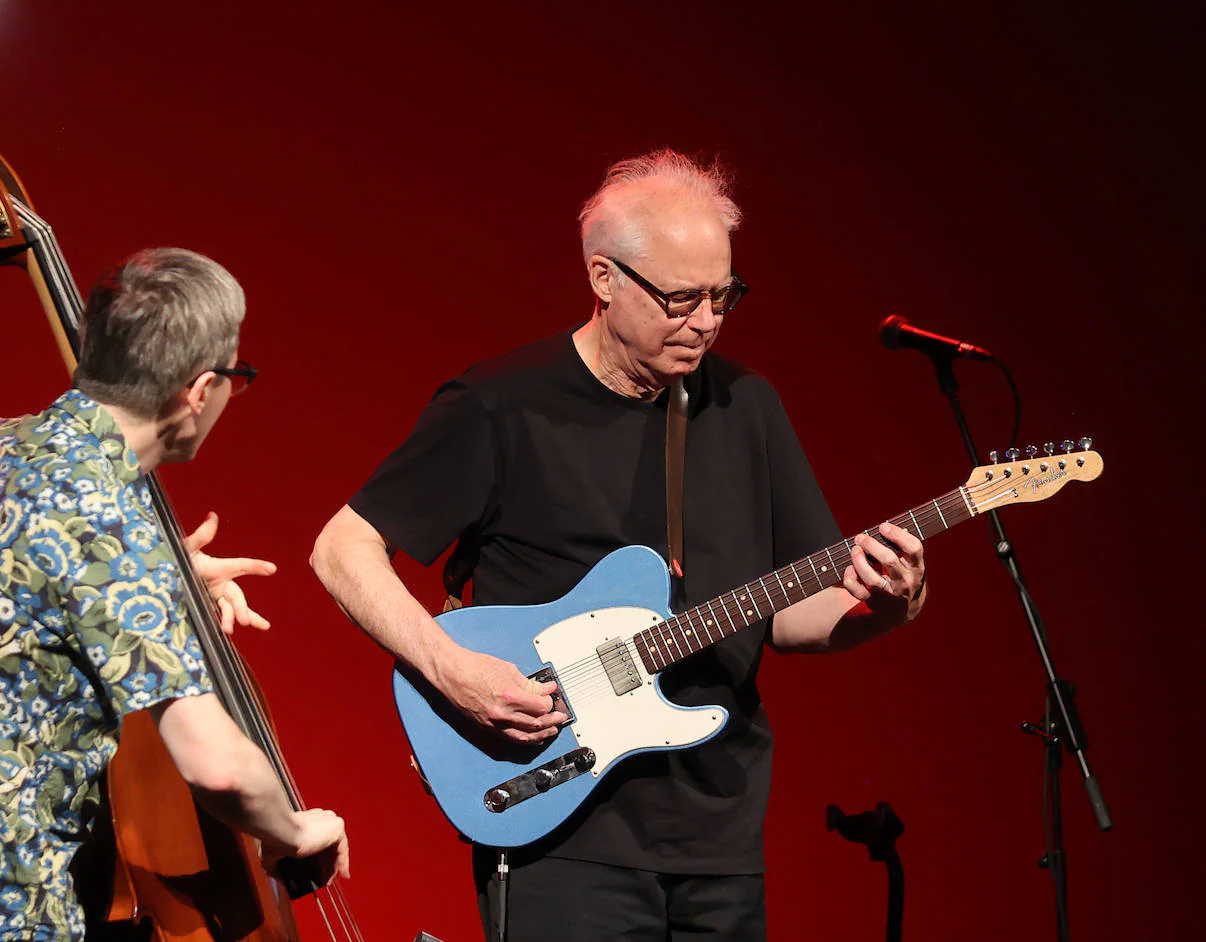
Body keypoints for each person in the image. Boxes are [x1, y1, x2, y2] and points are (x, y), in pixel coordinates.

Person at [310, 151, 927, 941]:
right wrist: (452, 669)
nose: (705, 320)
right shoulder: (502, 404)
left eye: (723, 295)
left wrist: (891, 603)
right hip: (559, 821)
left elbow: (792, 616)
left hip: (720, 828)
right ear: (603, 279)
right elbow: (342, 548)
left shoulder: (747, 407)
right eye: (679, 298)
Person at [0, 248, 348, 942]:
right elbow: (217, 768)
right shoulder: (112, 521)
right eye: (236, 379)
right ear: (200, 390)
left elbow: (9, 591)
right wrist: (293, 830)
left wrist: (166, 581)